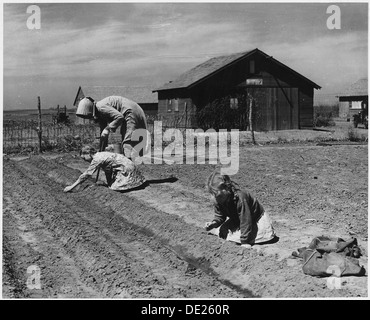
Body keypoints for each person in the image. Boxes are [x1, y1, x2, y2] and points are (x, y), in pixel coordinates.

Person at [204, 170, 276, 248]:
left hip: (254, 219)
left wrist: (245, 242)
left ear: (227, 188)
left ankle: (249, 239)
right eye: (213, 195)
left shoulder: (240, 198)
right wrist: (214, 223)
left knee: (238, 238)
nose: (215, 198)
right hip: (237, 219)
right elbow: (220, 216)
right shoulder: (219, 199)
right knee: (223, 231)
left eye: (218, 195)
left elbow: (246, 220)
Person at [76, 96, 148, 159]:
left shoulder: (101, 107)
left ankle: (128, 166)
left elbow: (119, 117)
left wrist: (108, 128)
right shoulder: (100, 114)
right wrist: (101, 152)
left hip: (130, 111)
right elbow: (103, 134)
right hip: (132, 110)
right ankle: (130, 162)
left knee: (127, 141)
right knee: (126, 137)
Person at [63, 146, 146, 193]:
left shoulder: (97, 159)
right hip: (129, 166)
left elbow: (86, 175)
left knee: (115, 189)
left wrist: (71, 187)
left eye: (84, 158)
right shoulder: (100, 154)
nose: (85, 161)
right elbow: (108, 170)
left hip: (127, 169)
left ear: (88, 154)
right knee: (112, 185)